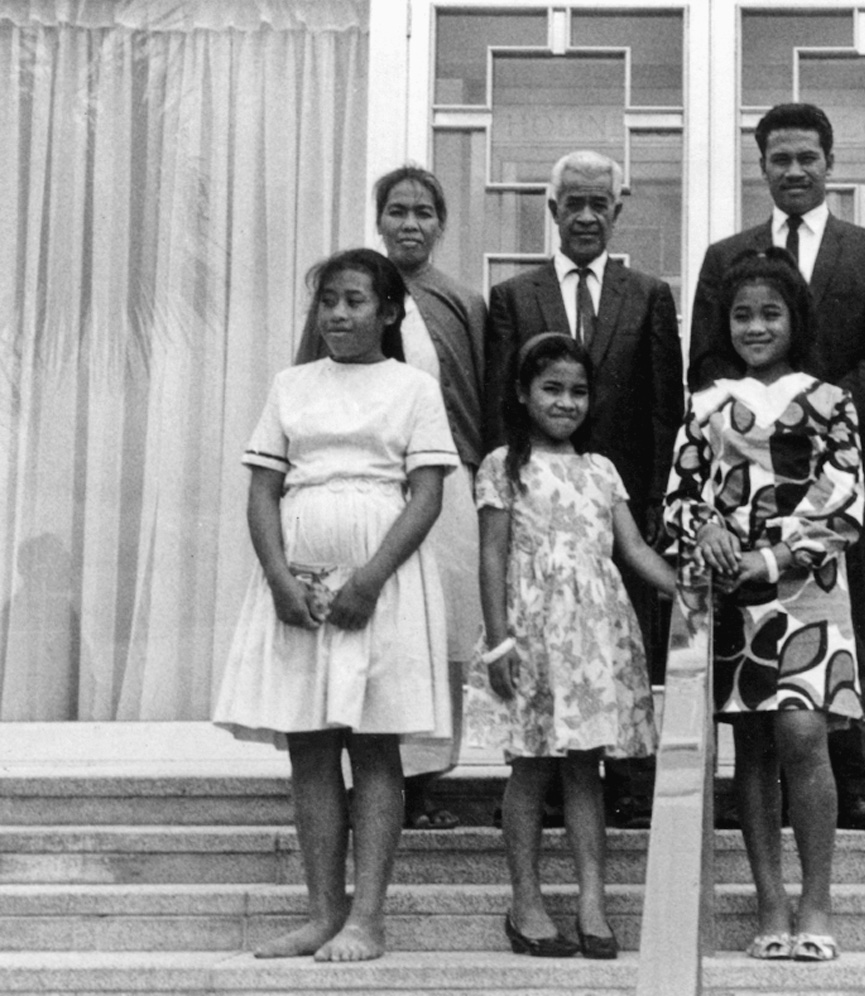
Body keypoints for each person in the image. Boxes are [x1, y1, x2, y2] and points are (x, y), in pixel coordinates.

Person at [213, 249, 459, 961]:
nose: (339, 315)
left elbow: (428, 493)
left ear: (387, 312)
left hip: (382, 579)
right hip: (298, 578)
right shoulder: (292, 385)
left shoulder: (412, 388)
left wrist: (371, 579)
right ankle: (324, 909)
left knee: (373, 742)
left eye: (354, 301)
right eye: (328, 302)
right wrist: (279, 579)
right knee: (310, 744)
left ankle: (367, 919)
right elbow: (262, 490)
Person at [688, 103, 865, 832]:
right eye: (778, 159)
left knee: (841, 624)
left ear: (829, 161)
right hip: (743, 486)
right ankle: (754, 782)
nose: (793, 171)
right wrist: (760, 432)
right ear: (762, 167)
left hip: (834, 479)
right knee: (747, 629)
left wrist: (813, 421)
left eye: (806, 158)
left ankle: (852, 781)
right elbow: (709, 363)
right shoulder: (729, 257)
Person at [666, 248, 864, 961]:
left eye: (770, 313)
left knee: (803, 736)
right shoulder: (709, 404)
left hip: (806, 589)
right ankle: (771, 903)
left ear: (794, 320)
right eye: (743, 314)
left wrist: (773, 555)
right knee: (751, 743)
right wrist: (709, 528)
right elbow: (679, 498)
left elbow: (843, 501)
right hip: (734, 599)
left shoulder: (829, 400)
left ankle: (817, 900)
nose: (755, 326)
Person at [484, 149, 683, 827]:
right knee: (543, 654)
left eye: (602, 203)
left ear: (619, 210)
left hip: (616, 509)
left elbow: (666, 409)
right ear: (553, 210)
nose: (589, 215)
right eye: (576, 203)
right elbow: (495, 408)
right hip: (535, 511)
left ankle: (628, 783)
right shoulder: (514, 296)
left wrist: (655, 504)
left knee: (621, 652)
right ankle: (535, 784)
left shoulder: (649, 296)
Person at [466, 333, 675, 958]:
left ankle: (592, 901)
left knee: (588, 768)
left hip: (592, 639)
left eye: (578, 391)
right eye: (551, 389)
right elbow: (492, 556)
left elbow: (633, 549)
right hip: (531, 635)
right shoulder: (503, 465)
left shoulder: (600, 470)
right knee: (530, 767)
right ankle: (525, 901)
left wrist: (686, 590)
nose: (565, 402)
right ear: (523, 393)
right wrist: (499, 644)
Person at [296, 165, 487, 830]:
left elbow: (480, 396)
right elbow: (307, 385)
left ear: (441, 223)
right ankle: (359, 776)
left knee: (439, 633)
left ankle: (425, 781)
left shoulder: (463, 301)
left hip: (445, 487)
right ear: (379, 218)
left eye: (424, 213)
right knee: (363, 629)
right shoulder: (350, 294)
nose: (410, 224)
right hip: (358, 497)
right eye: (398, 211)